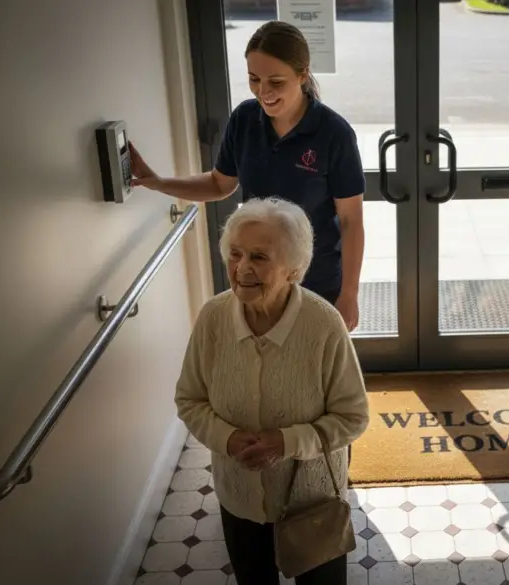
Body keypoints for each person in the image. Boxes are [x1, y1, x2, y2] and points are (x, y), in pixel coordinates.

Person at [174, 197, 369, 584]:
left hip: (311, 502)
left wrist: (286, 442)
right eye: (235, 254)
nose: (242, 268)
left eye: (260, 257)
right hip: (239, 498)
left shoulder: (324, 325)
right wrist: (227, 440)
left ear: (294, 269)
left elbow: (353, 417)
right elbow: (190, 400)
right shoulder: (213, 318)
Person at [129, 20, 366, 332]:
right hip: (256, 277)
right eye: (254, 79)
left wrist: (349, 294)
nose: (263, 92)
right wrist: (159, 183)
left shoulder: (334, 134)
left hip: (316, 281)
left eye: (276, 82)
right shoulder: (243, 120)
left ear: (302, 74)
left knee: (312, 375)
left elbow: (351, 221)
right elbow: (219, 183)